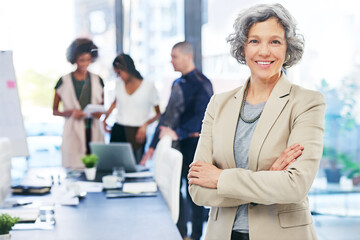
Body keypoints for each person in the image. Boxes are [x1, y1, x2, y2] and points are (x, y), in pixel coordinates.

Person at [188, 3, 326, 240]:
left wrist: (220, 178)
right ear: (242, 48)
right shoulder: (218, 104)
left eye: (275, 41)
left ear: (288, 49)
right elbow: (198, 190)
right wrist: (268, 177)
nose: (264, 51)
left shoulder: (307, 102)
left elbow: (295, 186)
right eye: (254, 41)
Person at [141, 41, 213, 240]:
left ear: (187, 56)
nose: (171, 61)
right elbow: (166, 118)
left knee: (193, 193)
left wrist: (178, 133)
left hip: (193, 146)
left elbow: (203, 117)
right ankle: (181, 234)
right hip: (175, 146)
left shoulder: (202, 83)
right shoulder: (177, 83)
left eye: (174, 56)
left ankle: (196, 236)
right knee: (173, 190)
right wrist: (152, 146)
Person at [53, 38, 105, 169]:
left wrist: (98, 113)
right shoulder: (63, 81)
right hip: (73, 131)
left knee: (94, 168)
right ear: (74, 59)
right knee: (75, 168)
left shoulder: (97, 80)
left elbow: (102, 107)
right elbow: (54, 110)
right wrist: (70, 112)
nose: (85, 64)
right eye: (82, 60)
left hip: (93, 131)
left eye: (88, 60)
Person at [103, 53, 161, 163]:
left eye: (119, 73)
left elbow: (158, 114)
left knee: (134, 168)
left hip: (137, 133)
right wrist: (104, 119)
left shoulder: (149, 86)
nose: (118, 76)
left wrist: (145, 125)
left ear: (127, 69)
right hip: (118, 130)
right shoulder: (119, 83)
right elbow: (114, 103)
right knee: (113, 165)